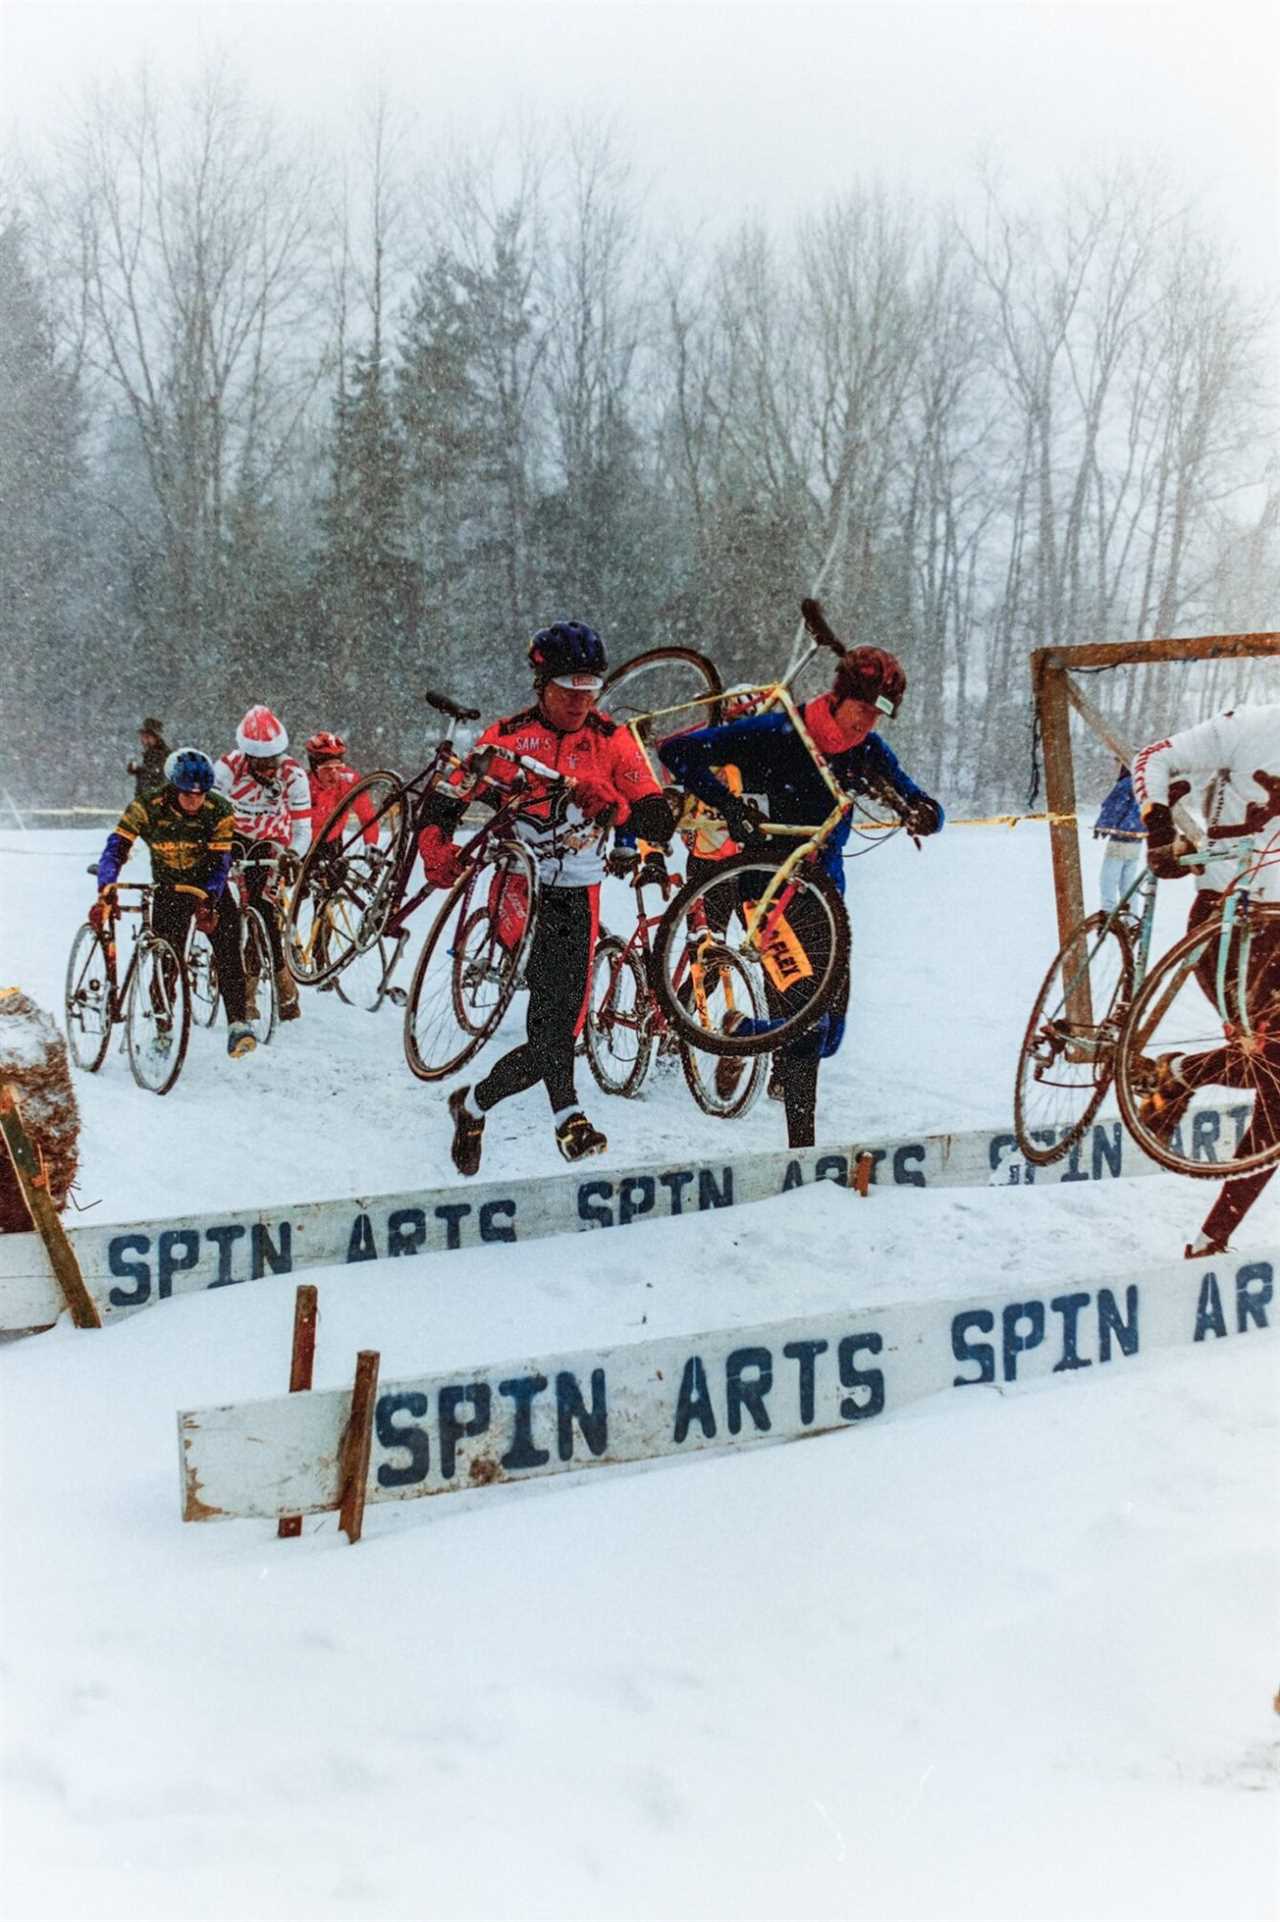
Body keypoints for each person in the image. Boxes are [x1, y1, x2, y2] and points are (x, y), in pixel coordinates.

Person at [659, 646, 944, 1150]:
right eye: (864, 709)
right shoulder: (779, 732)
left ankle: (744, 1028)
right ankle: (802, 1148)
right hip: (770, 894)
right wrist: (729, 805)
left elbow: (922, 802)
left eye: (880, 714)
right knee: (804, 1029)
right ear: (839, 698)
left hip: (827, 898)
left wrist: (920, 812)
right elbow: (676, 754)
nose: (869, 722)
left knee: (830, 1034)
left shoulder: (867, 750)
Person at [421, 622, 676, 1173]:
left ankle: (473, 1104)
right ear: (542, 685)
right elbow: (448, 797)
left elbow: (662, 818)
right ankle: (570, 1118)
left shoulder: (611, 740)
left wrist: (618, 804)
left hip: (577, 894)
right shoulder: (509, 737)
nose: (580, 701)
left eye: (590, 689)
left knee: (561, 1030)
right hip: (520, 888)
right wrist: (434, 844)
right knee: (552, 1021)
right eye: (568, 690)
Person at [1132, 705, 1280, 1257]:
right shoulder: (1255, 726)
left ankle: (1180, 1074)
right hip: (1226, 926)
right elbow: (1155, 758)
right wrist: (1159, 823)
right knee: (1277, 1078)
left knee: (1274, 1077)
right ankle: (1212, 1237)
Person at [91, 748, 256, 1058]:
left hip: (208, 884)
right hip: (169, 888)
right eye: (187, 794)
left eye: (201, 794)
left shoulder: (219, 809)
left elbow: (221, 861)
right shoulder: (146, 806)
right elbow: (116, 847)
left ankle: (238, 1023)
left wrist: (210, 898)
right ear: (172, 788)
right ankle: (163, 1027)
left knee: (228, 948)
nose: (195, 801)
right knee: (167, 961)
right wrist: (106, 885)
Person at [213, 706, 312, 1023]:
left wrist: (294, 854)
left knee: (262, 910)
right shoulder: (228, 767)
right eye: (259, 761)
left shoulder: (294, 775)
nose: (267, 768)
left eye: (272, 759)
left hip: (272, 840)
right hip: (233, 835)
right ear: (245, 755)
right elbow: (210, 810)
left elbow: (302, 829)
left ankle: (279, 985)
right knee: (221, 905)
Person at [1094, 764, 1144, 914]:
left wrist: (1101, 825)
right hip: (1137, 839)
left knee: (1108, 879)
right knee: (1128, 883)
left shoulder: (1126, 783)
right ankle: (1131, 918)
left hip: (1121, 838)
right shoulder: (1144, 784)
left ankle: (1107, 914)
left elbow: (1114, 807)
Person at [126, 719, 169, 800]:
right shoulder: (149, 753)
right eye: (143, 737)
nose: (143, 740)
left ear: (156, 737)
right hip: (146, 798)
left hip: (155, 800)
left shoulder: (162, 754)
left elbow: (157, 774)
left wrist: (139, 769)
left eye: (147, 737)